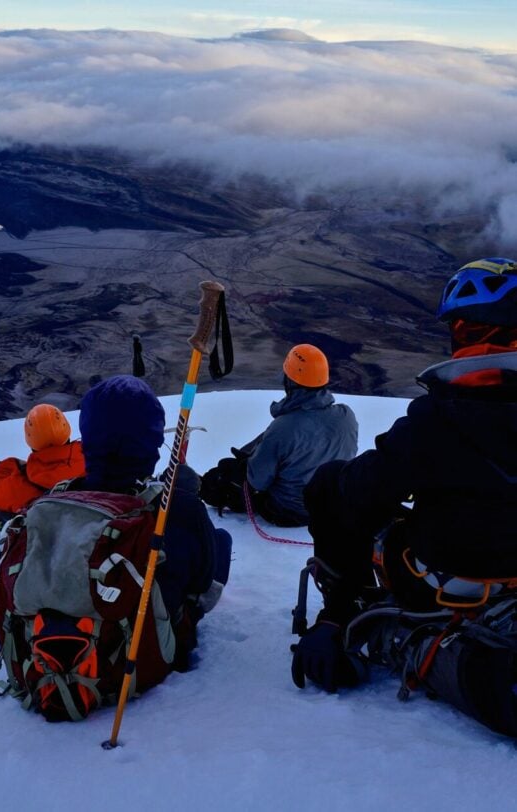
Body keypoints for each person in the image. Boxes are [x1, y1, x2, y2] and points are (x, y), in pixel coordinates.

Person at [292, 257, 517, 693]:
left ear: (469, 334)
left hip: (438, 587)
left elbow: (360, 488)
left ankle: (342, 610)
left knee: (331, 483)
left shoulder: (435, 420)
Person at [68, 374, 232, 665]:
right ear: (151, 441)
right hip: (149, 647)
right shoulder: (177, 509)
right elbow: (203, 581)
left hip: (66, 646)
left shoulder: (61, 503)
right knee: (220, 540)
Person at [200, 344, 358, 527]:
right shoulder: (346, 415)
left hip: (289, 510)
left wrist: (245, 466)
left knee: (225, 474)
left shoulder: (284, 427)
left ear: (289, 380)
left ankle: (192, 488)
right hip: (330, 505)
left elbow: (257, 482)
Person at [0, 404, 86, 528]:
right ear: (67, 432)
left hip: (34, 517)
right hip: (79, 515)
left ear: (30, 440)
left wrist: (13, 464)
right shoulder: (92, 461)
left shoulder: (19, 483)